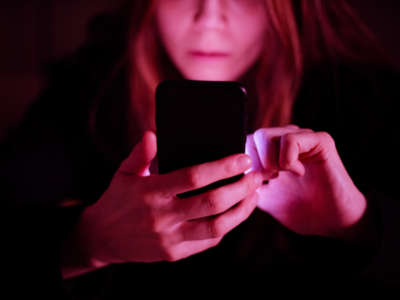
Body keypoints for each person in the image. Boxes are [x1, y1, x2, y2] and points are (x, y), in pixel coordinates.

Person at [2, 0, 399, 297]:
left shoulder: (361, 98)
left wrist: (358, 225)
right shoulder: (87, 92)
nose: (209, 17)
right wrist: (86, 243)